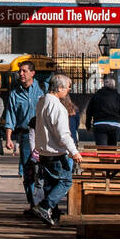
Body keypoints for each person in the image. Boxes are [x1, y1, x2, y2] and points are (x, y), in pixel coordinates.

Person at [33, 72, 82, 227]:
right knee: (66, 181)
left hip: (44, 151)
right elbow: (64, 134)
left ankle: (51, 212)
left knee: (50, 183)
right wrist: (74, 152)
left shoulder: (42, 101)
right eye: (68, 87)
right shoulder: (58, 107)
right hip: (56, 152)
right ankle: (45, 206)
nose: (68, 90)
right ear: (59, 87)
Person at [3, 60, 44, 217]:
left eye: (24, 71)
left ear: (32, 73)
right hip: (25, 135)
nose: (21, 74)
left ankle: (43, 203)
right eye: (20, 71)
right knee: (28, 171)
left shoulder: (42, 89)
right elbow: (11, 116)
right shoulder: (15, 93)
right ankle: (33, 204)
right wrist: (8, 138)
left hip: (42, 134)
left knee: (42, 170)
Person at [86, 74, 120, 147]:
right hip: (114, 126)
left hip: (100, 124)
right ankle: (111, 158)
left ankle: (103, 158)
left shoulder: (96, 95)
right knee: (112, 149)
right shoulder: (117, 96)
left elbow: (89, 111)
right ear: (114, 84)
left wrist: (88, 125)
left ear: (104, 83)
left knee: (102, 149)